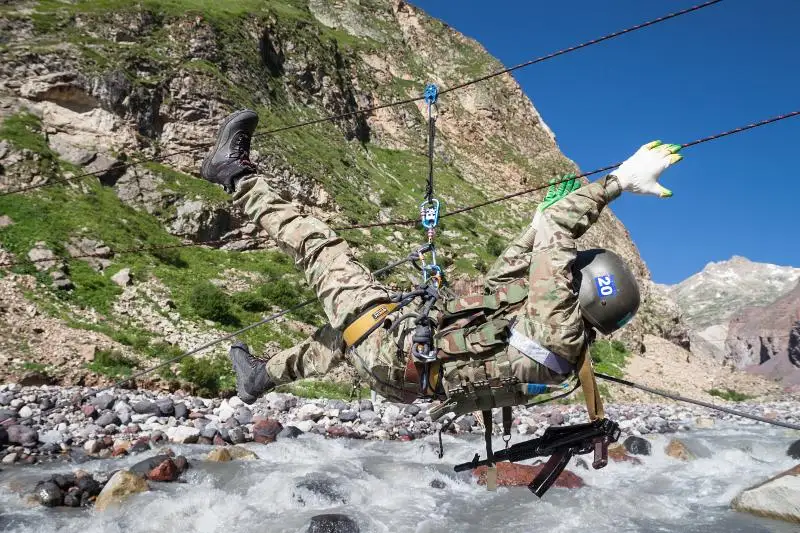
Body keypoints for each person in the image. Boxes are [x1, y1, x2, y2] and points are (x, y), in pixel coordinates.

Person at [198, 109, 683, 418]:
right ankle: (258, 378)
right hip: (404, 378)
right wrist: (535, 227)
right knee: (340, 341)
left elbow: (559, 230)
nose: (561, 269)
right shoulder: (559, 346)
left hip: (396, 350)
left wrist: (618, 181)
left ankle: (234, 176)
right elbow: (506, 276)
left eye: (570, 270)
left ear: (580, 286)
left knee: (320, 248)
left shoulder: (557, 323)